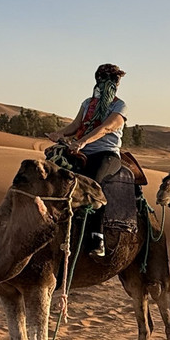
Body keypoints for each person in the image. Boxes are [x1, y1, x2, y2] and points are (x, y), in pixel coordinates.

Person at [47, 63, 128, 256]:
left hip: (106, 154)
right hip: (81, 152)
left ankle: (96, 237)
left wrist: (82, 142)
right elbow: (76, 125)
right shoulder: (86, 104)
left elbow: (107, 128)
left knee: (93, 184)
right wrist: (58, 133)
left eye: (107, 80)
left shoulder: (119, 105)